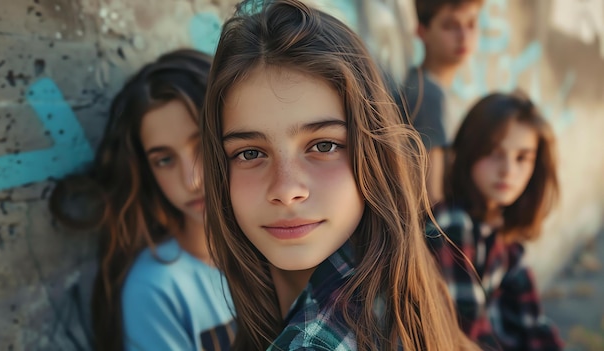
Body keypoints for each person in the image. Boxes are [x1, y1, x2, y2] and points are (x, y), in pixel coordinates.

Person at [201, 1, 481, 350]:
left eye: (323, 146)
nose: (287, 190)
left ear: (373, 153)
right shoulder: (401, 277)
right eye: (250, 153)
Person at [49, 49, 235, 351]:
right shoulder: (157, 288)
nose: (192, 181)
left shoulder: (283, 247)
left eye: (202, 145)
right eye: (164, 160)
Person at [426, 92, 563, 350]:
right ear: (470, 151)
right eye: (493, 152)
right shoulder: (452, 224)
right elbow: (469, 334)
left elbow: (532, 322)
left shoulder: (503, 231)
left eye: (522, 157)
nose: (508, 171)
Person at [393, 0, 483, 204]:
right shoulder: (428, 94)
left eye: (471, 24)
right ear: (422, 32)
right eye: (450, 26)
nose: (463, 36)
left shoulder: (432, 87)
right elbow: (433, 196)